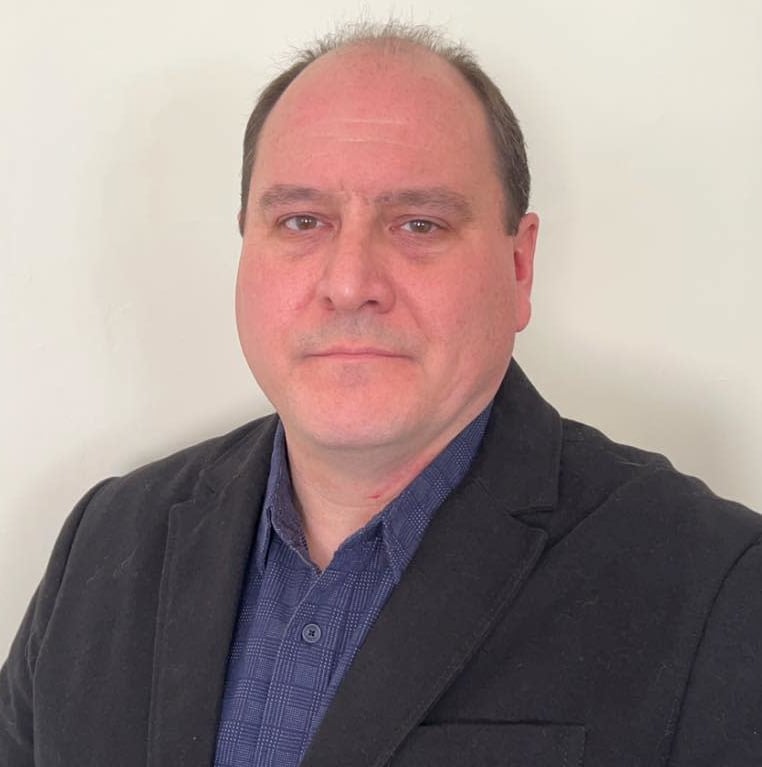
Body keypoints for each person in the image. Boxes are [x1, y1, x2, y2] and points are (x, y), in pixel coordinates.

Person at [1, 21, 760, 767]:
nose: (349, 283)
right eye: (302, 221)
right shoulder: (104, 543)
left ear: (519, 266)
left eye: (419, 224)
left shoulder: (713, 588)